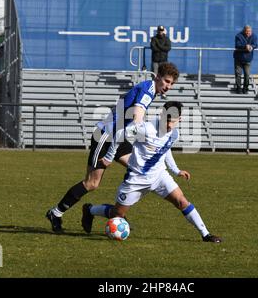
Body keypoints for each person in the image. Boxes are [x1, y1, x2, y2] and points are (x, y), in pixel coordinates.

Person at [45, 62, 180, 233]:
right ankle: (55, 213)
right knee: (92, 183)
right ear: (158, 77)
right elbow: (138, 112)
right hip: (105, 136)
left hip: (119, 136)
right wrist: (141, 130)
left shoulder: (149, 89)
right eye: (167, 81)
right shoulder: (147, 90)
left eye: (171, 84)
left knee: (140, 169)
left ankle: (114, 212)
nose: (168, 86)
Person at [81, 101, 222, 243]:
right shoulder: (146, 129)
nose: (169, 125)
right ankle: (90, 210)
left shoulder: (174, 134)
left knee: (181, 201)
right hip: (136, 179)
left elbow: (165, 149)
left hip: (159, 176)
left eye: (172, 122)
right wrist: (109, 157)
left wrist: (176, 170)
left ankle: (206, 234)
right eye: (166, 120)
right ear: (161, 114)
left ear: (180, 119)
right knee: (117, 214)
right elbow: (119, 135)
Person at [233, 25, 258, 94]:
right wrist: (245, 46)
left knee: (247, 74)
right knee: (238, 74)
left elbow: (255, 45)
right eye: (247, 32)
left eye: (249, 32)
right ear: (244, 31)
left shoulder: (254, 36)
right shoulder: (238, 36)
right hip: (238, 58)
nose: (248, 33)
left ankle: (245, 89)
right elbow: (237, 45)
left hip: (248, 59)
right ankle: (238, 89)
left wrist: (251, 46)